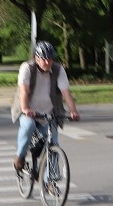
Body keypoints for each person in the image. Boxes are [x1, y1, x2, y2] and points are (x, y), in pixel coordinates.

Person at [13, 41, 80, 172]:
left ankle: (50, 180)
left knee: (53, 142)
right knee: (28, 126)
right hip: (29, 111)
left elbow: (66, 93)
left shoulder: (58, 70)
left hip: (50, 112)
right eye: (44, 59)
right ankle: (20, 156)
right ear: (36, 58)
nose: (48, 62)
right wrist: (26, 109)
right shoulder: (27, 68)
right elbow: (24, 91)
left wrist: (73, 111)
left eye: (50, 59)